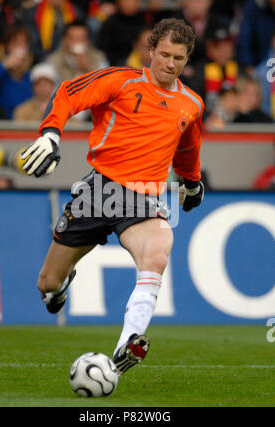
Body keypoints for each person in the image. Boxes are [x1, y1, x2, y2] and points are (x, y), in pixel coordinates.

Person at [20, 18, 205, 374]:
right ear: (150, 51)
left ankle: (127, 344)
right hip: (100, 190)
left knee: (157, 254)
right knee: (47, 282)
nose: (170, 63)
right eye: (164, 54)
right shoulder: (120, 80)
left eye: (179, 58)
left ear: (187, 60)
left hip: (145, 197)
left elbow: (188, 148)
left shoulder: (191, 104)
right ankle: (58, 290)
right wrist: (51, 134)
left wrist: (192, 182)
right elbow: (68, 93)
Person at [0, 25, 33, 118]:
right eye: (16, 43)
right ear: (7, 46)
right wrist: (6, 64)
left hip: (26, 125)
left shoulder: (31, 73)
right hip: (3, 123)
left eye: (23, 43)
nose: (20, 47)